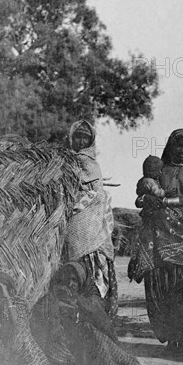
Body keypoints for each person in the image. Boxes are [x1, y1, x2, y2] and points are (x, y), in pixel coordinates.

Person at [128, 128, 183, 350]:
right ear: (171, 147)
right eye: (179, 145)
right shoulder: (161, 170)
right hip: (161, 228)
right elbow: (144, 194)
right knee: (163, 282)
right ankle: (171, 335)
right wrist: (147, 201)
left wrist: (165, 203)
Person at [30, 262, 141, 365]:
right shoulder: (59, 292)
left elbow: (95, 313)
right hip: (68, 342)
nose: (70, 283)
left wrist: (76, 300)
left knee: (91, 332)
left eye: (74, 280)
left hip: (89, 340)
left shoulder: (91, 292)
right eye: (67, 279)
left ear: (81, 280)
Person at [65, 120, 118, 317]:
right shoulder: (66, 160)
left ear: (91, 140)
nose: (80, 141)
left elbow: (94, 193)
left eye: (85, 137)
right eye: (77, 136)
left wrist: (76, 204)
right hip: (74, 217)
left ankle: (92, 309)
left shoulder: (89, 163)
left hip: (90, 219)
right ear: (71, 138)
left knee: (91, 261)